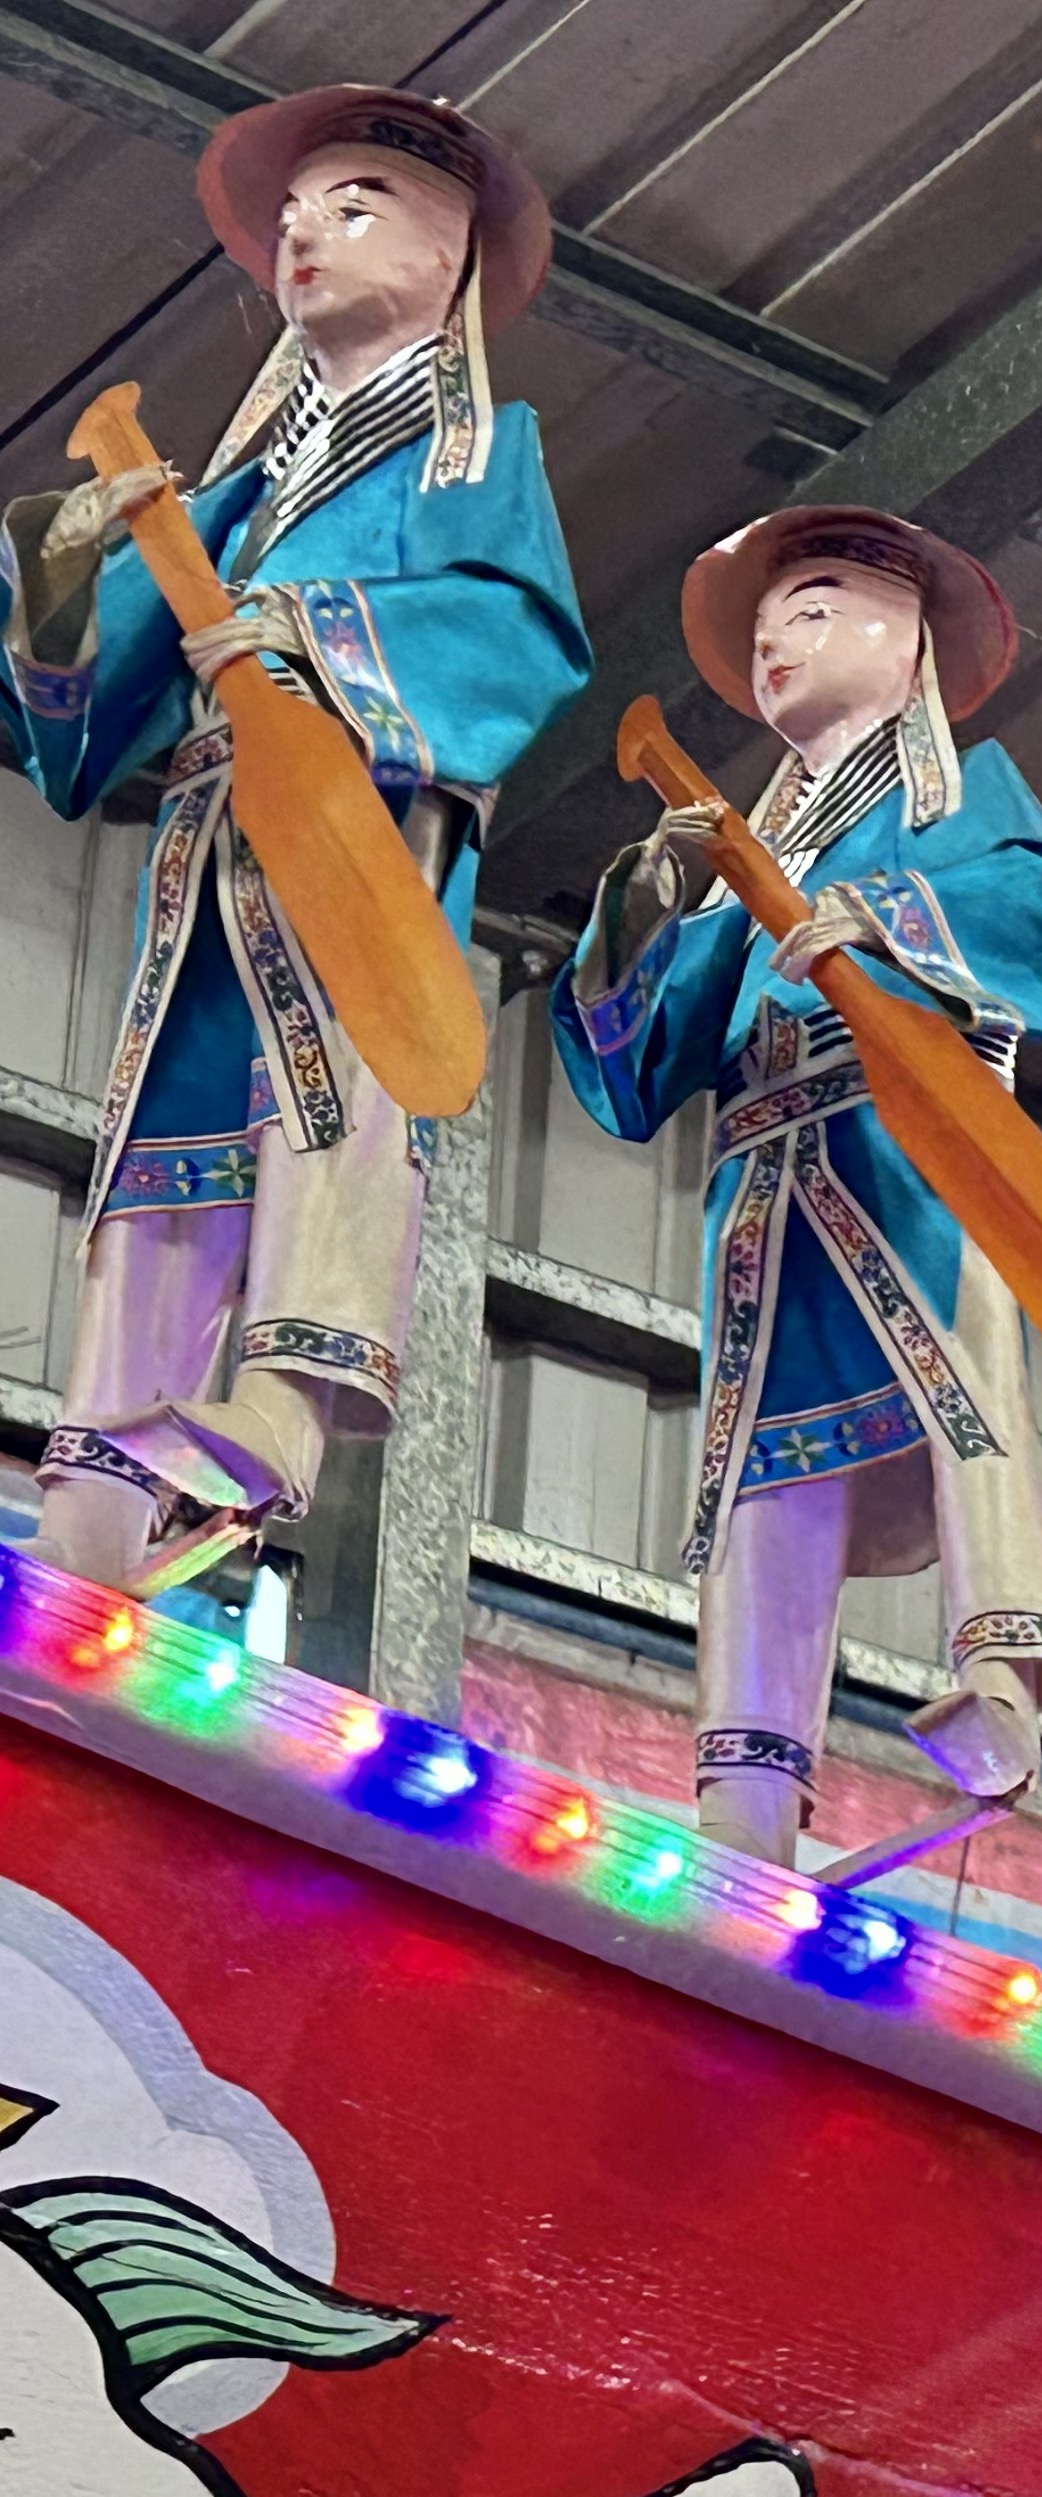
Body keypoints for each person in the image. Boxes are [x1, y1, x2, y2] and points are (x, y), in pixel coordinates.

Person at [6, 86, 584, 1590]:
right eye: (290, 216)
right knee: (163, 1159)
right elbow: (83, 727)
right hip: (203, 868)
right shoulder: (238, 492)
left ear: (454, 252)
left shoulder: (474, 458)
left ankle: (272, 1415)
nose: (304, 234)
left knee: (328, 1101)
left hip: (354, 848)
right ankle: (93, 1506)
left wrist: (310, 638)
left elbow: (510, 634)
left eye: (356, 204)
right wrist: (62, 582)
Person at [556, 510, 1042, 1862]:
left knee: (963, 1388)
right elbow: (639, 1063)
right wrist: (642, 905)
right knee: (758, 1471)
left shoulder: (960, 805)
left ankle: (1006, 1670)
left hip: (914, 1134)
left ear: (910, 636)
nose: (777, 635)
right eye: (767, 619)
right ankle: (747, 1776)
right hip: (765, 1182)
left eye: (820, 602)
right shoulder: (752, 868)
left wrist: (893, 919)